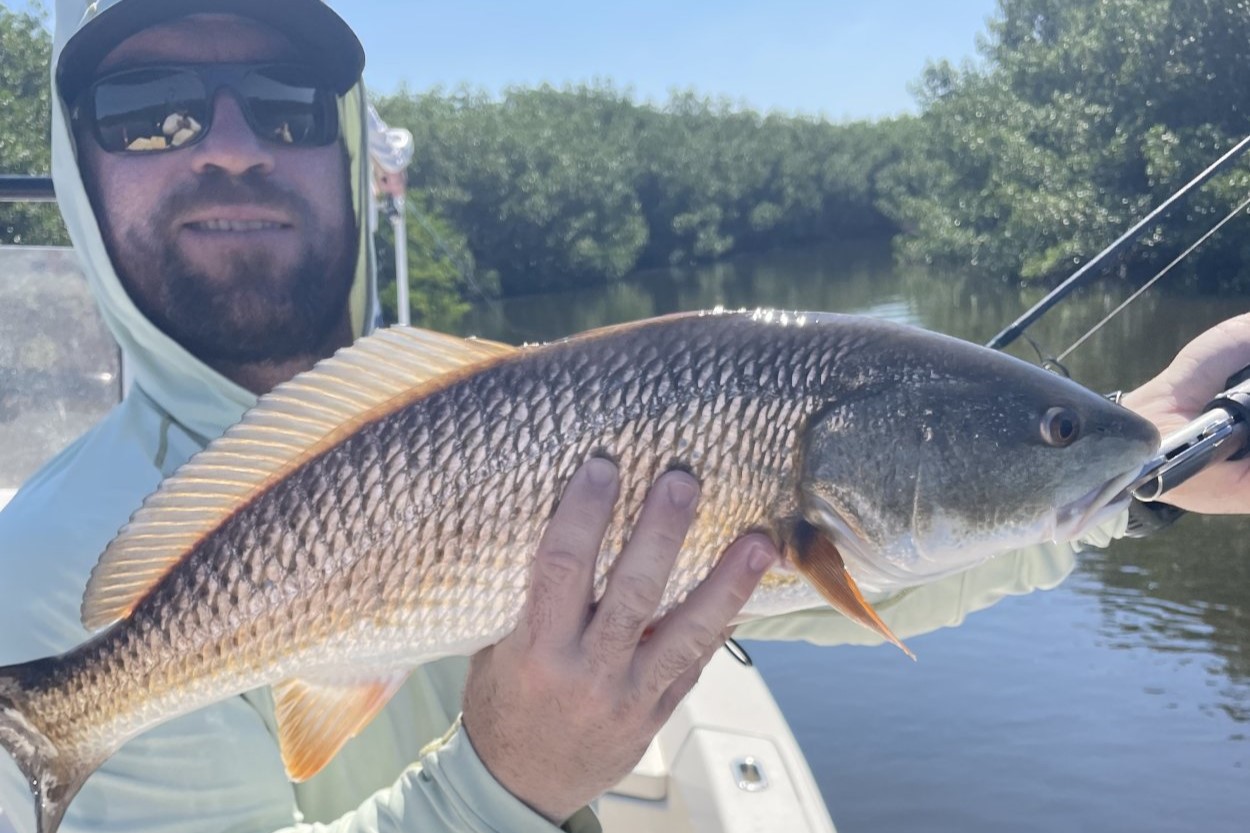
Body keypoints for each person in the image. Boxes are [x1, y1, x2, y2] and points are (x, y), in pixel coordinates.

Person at [0, 2, 1247, 832]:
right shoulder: (46, 570)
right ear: (71, 156)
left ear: (336, 145)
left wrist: (1145, 449)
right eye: (150, 108)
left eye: (281, 105)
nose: (230, 147)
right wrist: (509, 777)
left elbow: (833, 572)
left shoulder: (475, 403)